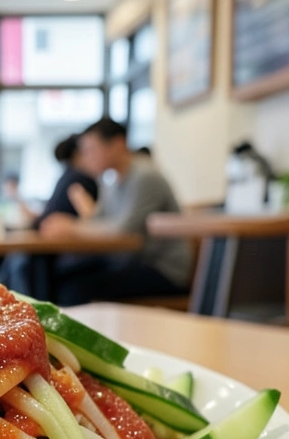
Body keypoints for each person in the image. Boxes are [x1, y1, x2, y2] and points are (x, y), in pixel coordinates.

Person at [40, 119, 191, 305]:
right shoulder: (111, 180)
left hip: (162, 270)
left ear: (118, 144)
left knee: (75, 288)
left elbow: (124, 230)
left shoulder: (145, 176)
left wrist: (72, 228)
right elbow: (97, 221)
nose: (87, 157)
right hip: (130, 262)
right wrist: (68, 225)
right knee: (61, 274)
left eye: (91, 150)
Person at [34, 134, 99, 232]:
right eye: (88, 151)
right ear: (77, 155)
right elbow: (93, 220)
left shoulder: (66, 176)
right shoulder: (79, 181)